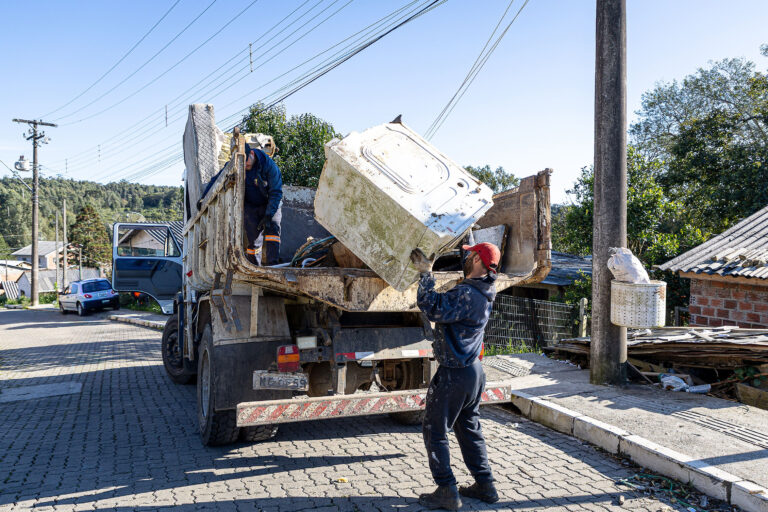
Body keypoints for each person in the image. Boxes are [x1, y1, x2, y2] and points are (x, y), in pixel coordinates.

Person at [409, 242, 501, 510]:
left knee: (434, 429)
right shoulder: (485, 290)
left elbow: (431, 305)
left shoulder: (467, 294)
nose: (466, 256)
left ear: (476, 260)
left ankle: (447, 489)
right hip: (473, 372)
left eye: (470, 254)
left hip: (455, 374)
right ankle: (485, 485)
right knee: (468, 429)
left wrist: (426, 274)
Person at [243, 142, 283, 265]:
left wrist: (268, 214)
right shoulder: (237, 163)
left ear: (252, 153)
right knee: (253, 240)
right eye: (241, 162)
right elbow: (217, 179)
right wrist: (203, 198)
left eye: (246, 160)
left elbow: (276, 192)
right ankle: (254, 267)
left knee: (273, 230)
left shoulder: (269, 166)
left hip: (270, 203)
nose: (244, 165)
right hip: (251, 207)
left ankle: (273, 266)